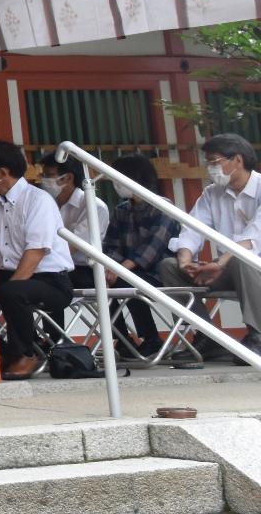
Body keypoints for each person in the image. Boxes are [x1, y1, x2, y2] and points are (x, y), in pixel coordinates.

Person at [159, 133, 261, 358]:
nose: (210, 169)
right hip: (225, 268)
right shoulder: (211, 193)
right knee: (169, 266)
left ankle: (258, 336)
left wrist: (219, 263)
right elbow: (193, 228)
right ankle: (208, 336)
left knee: (244, 260)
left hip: (253, 268)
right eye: (208, 163)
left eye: (215, 162)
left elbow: (254, 238)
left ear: (237, 160)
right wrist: (185, 260)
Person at [0, 140, 74, 380]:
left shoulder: (38, 200)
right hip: (10, 276)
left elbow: (36, 252)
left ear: (1, 173)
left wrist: (3, 289)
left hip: (51, 281)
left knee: (11, 292)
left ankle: (27, 354)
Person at [103, 154, 178, 358]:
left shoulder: (163, 207)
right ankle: (122, 338)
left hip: (159, 272)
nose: (115, 183)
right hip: (126, 272)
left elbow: (153, 248)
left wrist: (120, 268)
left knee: (125, 283)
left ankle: (151, 339)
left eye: (118, 177)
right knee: (101, 283)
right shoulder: (121, 210)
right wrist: (110, 266)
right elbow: (112, 244)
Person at [41, 158, 109, 288]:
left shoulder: (93, 206)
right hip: (54, 266)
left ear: (68, 178)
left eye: (48, 175)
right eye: (43, 175)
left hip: (85, 269)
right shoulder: (47, 204)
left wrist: (34, 259)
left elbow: (71, 247)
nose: (44, 180)